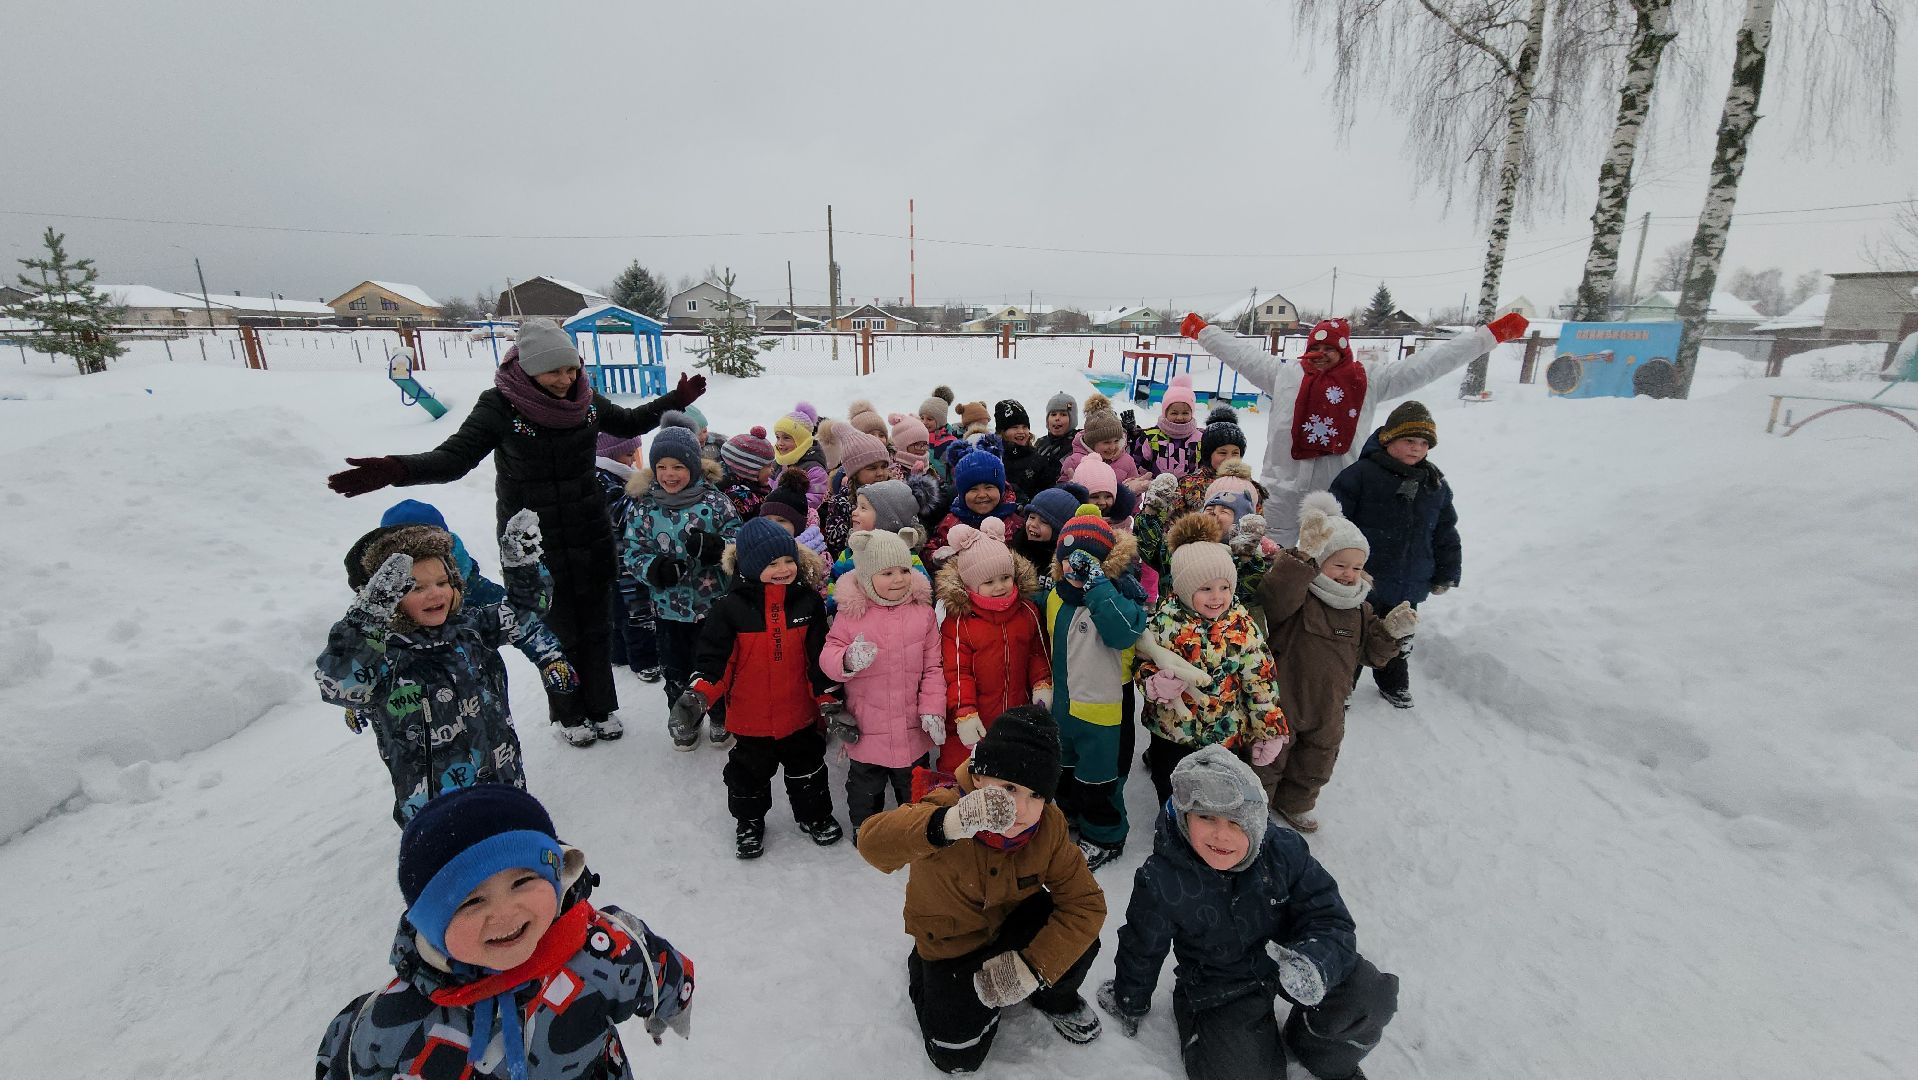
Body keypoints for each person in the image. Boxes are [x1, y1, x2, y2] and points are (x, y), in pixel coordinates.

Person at [326, 319, 702, 745]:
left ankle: (601, 707)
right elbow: (453, 458)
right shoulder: (500, 406)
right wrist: (397, 469)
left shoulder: (585, 401)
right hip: (532, 541)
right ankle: (569, 714)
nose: (566, 379)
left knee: (597, 625)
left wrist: (676, 400)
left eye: (572, 369)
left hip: (589, 531)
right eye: (554, 371)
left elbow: (628, 421)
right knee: (555, 629)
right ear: (529, 368)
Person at [315, 785, 694, 1080]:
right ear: (430, 924)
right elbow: (343, 1063)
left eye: (522, 882)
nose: (504, 913)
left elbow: (654, 967)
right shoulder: (393, 1021)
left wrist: (672, 1007)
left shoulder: (599, 950)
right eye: (471, 902)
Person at [1098, 746, 1399, 1080]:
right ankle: (1206, 1032)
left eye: (1235, 821)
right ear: (1184, 817)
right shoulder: (1163, 878)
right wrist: (1130, 999)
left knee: (1369, 995)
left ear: (1255, 820)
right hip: (1223, 986)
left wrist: (1315, 962)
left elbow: (1328, 915)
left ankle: (1316, 1048)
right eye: (1206, 817)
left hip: (1288, 959)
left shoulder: (1283, 852)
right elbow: (1142, 945)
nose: (1221, 834)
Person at [856, 706, 1107, 1073]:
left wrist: (1033, 968)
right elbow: (872, 844)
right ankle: (924, 972)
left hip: (1011, 923)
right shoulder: (946, 806)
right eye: (1009, 788)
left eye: (1036, 795)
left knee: (1079, 940)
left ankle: (1053, 996)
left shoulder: (1048, 826)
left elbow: (1085, 904)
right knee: (957, 1056)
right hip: (951, 943)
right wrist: (948, 825)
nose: (1021, 808)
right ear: (978, 777)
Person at [1180, 310, 1526, 542]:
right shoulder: (1285, 375)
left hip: (1338, 493)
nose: (1321, 353)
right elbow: (1240, 354)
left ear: (1344, 349)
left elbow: (1428, 364)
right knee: (1270, 558)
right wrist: (1203, 331)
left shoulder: (1368, 381)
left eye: (1329, 348)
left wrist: (1489, 336)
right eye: (1315, 346)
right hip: (1281, 489)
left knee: (1326, 563)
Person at [318, 519, 573, 823]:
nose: (435, 594)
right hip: (436, 807)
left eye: (442, 582)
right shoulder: (384, 655)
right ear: (386, 599)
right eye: (416, 587)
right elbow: (340, 683)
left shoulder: (471, 628)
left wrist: (523, 567)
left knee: (515, 838)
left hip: (503, 778)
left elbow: (525, 612)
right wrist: (368, 618)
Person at [673, 518, 842, 858]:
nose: (783, 569)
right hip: (751, 718)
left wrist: (828, 699)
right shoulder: (729, 609)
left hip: (799, 714)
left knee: (808, 769)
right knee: (748, 775)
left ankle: (814, 815)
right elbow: (715, 661)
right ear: (750, 565)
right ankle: (749, 821)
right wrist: (699, 695)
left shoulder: (807, 603)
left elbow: (819, 658)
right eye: (772, 563)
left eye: (789, 560)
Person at [1258, 493, 1417, 832]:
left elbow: (1372, 655)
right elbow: (1273, 601)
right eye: (1340, 565)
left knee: (1319, 756)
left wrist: (1390, 634)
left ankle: (1295, 802)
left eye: (1357, 567)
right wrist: (1301, 559)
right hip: (1285, 695)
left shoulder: (1360, 608)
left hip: (1330, 702)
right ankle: (1257, 802)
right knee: (1270, 753)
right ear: (1320, 560)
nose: (1348, 574)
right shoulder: (1301, 593)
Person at [1134, 515, 1288, 807]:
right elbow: (1144, 660)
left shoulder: (1242, 626)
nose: (1217, 597)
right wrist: (1152, 682)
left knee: (1221, 790)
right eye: (1205, 589)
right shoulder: (1165, 622)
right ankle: (1171, 819)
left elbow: (1261, 681)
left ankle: (1211, 822)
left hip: (1225, 732)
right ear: (1183, 588)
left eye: (1224, 587)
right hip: (1172, 731)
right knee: (1169, 782)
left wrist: (1270, 729)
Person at [1328, 401, 1459, 709]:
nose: (1416, 448)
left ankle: (1393, 682)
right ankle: (1343, 686)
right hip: (1363, 577)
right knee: (1355, 634)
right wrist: (1331, 564)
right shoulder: (1360, 475)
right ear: (1388, 439)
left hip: (1409, 579)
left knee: (1400, 634)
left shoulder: (1434, 484)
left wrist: (1446, 572)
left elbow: (1445, 531)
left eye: (1424, 443)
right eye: (1409, 440)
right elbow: (1335, 523)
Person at [622, 420, 740, 749]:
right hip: (668, 610)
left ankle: (721, 715)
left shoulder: (715, 503)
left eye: (678, 467)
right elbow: (632, 551)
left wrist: (718, 548)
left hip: (713, 608)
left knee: (715, 665)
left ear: (693, 466)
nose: (669, 474)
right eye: (661, 467)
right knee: (675, 669)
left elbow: (739, 542)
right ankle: (684, 719)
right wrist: (654, 569)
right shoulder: (644, 508)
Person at [821, 528, 946, 834]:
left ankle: (915, 832)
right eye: (887, 573)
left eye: (904, 570)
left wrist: (932, 709)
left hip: (911, 725)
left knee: (915, 787)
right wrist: (847, 659)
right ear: (866, 576)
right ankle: (866, 830)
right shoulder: (851, 614)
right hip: (867, 725)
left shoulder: (923, 614)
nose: (899, 579)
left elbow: (934, 667)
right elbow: (828, 655)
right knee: (865, 785)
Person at [1045, 506, 1149, 870]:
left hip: (1105, 713)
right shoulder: (1056, 596)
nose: (1076, 569)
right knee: (1065, 769)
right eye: (1069, 560)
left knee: (1100, 779)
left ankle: (1105, 835)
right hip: (1064, 706)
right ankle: (1071, 815)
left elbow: (1125, 632)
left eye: (1087, 561)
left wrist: (1099, 585)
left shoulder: (1117, 597)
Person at [935, 518, 1052, 772]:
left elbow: (1037, 653)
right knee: (966, 772)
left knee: (1011, 772)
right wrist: (964, 711)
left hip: (1017, 714)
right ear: (970, 585)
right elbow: (957, 673)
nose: (999, 587)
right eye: (989, 582)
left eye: (1005, 577)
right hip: (976, 717)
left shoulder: (1027, 611)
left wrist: (1041, 683)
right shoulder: (960, 622)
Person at [594, 433, 661, 689]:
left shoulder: (615, 474)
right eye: (628, 454)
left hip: (621, 557)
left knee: (620, 609)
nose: (633, 460)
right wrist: (645, 492)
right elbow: (621, 514)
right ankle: (644, 661)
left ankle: (619, 654)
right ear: (611, 454)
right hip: (619, 559)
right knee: (635, 610)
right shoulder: (601, 479)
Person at [930, 447, 1023, 555]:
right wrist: (939, 558)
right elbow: (930, 549)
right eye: (973, 489)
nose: (982, 495)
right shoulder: (950, 524)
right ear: (962, 495)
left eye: (989, 487)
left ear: (1001, 490)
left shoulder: (1015, 524)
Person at [819, 422, 894, 555]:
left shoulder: (895, 493)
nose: (880, 473)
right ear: (854, 473)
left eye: (884, 466)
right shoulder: (842, 502)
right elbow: (835, 542)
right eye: (872, 468)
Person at [1058, 395, 1144, 493]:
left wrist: (1133, 491)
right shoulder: (1075, 462)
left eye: (1116, 441)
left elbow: (1135, 501)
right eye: (1106, 442)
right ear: (1092, 442)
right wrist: (1071, 488)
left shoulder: (1127, 462)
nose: (1112, 447)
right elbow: (1060, 494)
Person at [1129, 374, 1203, 478]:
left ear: (1192, 413)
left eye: (1185, 413)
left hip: (1192, 487)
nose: (1180, 417)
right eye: (1174, 413)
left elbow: (1205, 467)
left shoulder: (1200, 438)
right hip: (1156, 486)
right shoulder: (1151, 437)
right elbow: (1139, 466)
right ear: (1165, 413)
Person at [995, 398, 1063, 502]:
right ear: (1002, 432)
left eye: (1025, 427)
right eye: (1015, 427)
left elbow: (1048, 493)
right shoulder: (995, 459)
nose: (1021, 431)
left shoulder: (1037, 459)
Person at [772, 404, 831, 511]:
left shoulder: (814, 469)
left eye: (786, 438)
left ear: (801, 440)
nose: (780, 443)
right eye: (777, 437)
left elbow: (813, 500)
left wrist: (781, 509)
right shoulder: (778, 464)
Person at [717, 425, 777, 521]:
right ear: (750, 469)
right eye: (768, 466)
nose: (772, 470)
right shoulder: (741, 499)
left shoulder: (758, 488)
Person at [1034, 390, 1079, 469]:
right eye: (1053, 414)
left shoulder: (1078, 443)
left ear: (1072, 419)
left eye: (1063, 414)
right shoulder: (1040, 443)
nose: (1057, 418)